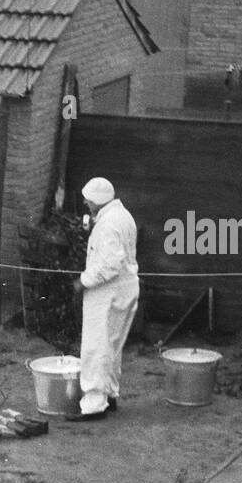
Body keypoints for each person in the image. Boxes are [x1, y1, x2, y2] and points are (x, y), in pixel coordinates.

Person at [68, 177, 139, 422]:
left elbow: (109, 265)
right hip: (126, 288)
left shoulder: (108, 225)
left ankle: (93, 405)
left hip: (108, 292)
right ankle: (109, 395)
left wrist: (83, 281)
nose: (86, 204)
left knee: (96, 347)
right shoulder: (123, 215)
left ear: (97, 200)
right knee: (112, 346)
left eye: (88, 200)